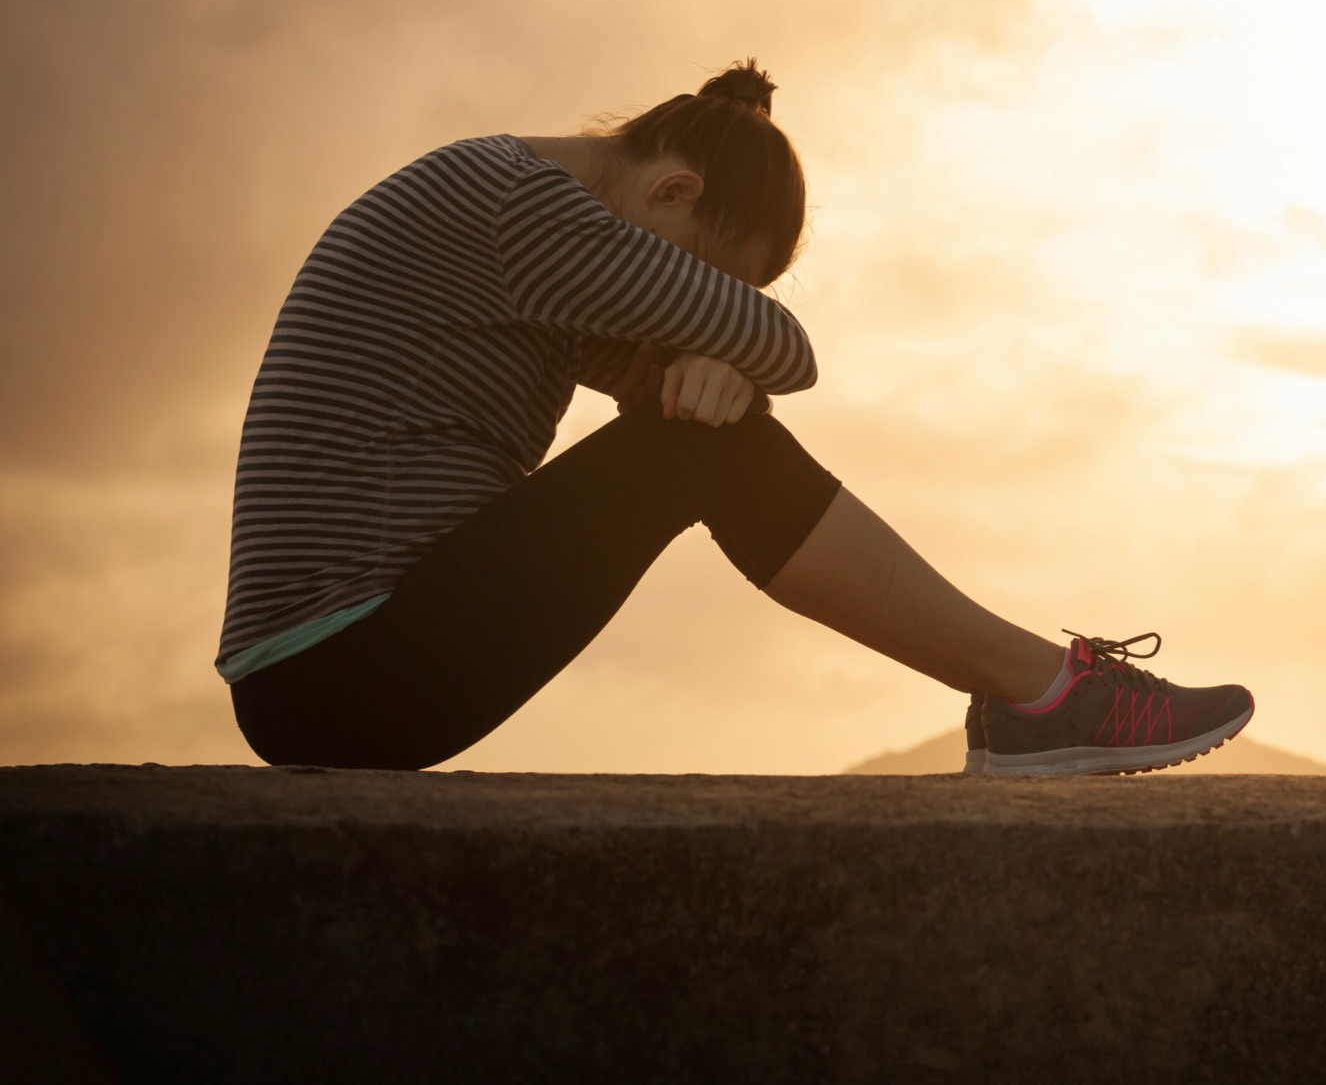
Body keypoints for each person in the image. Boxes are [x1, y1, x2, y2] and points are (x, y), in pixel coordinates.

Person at [217, 61, 1252, 775]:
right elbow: (783, 347)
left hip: (345, 665)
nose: (670, 302)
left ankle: (1031, 696)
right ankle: (1039, 694)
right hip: (341, 669)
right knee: (695, 447)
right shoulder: (520, 208)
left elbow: (673, 378)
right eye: (684, 279)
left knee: (697, 435)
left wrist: (704, 370)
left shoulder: (511, 215)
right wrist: (722, 355)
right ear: (670, 192)